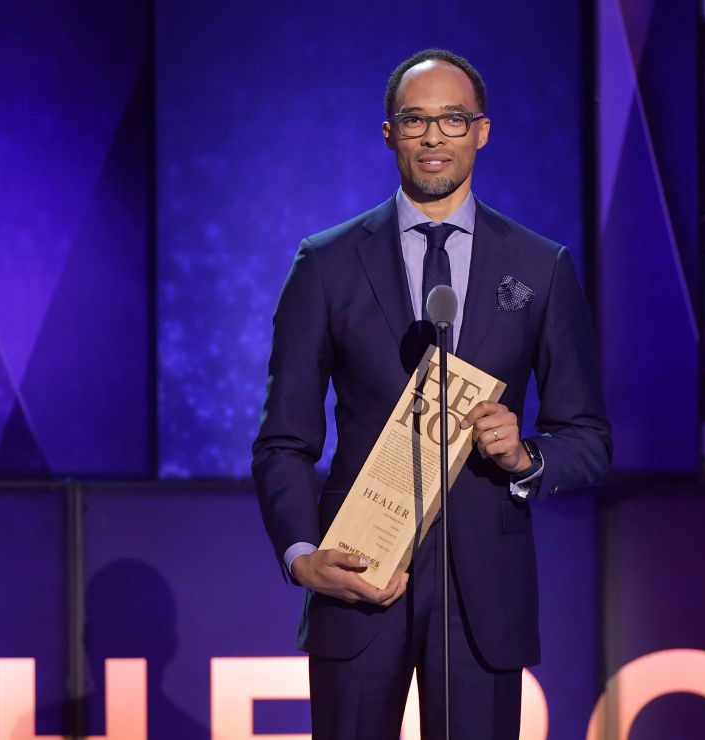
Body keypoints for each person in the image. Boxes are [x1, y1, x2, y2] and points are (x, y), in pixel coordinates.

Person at [252, 49, 611, 738]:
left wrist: (525, 456)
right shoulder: (325, 262)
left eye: (452, 119)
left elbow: (588, 440)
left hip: (483, 594)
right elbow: (283, 441)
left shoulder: (541, 266)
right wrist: (303, 557)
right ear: (389, 134)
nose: (434, 136)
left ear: (482, 130)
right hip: (359, 577)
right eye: (416, 120)